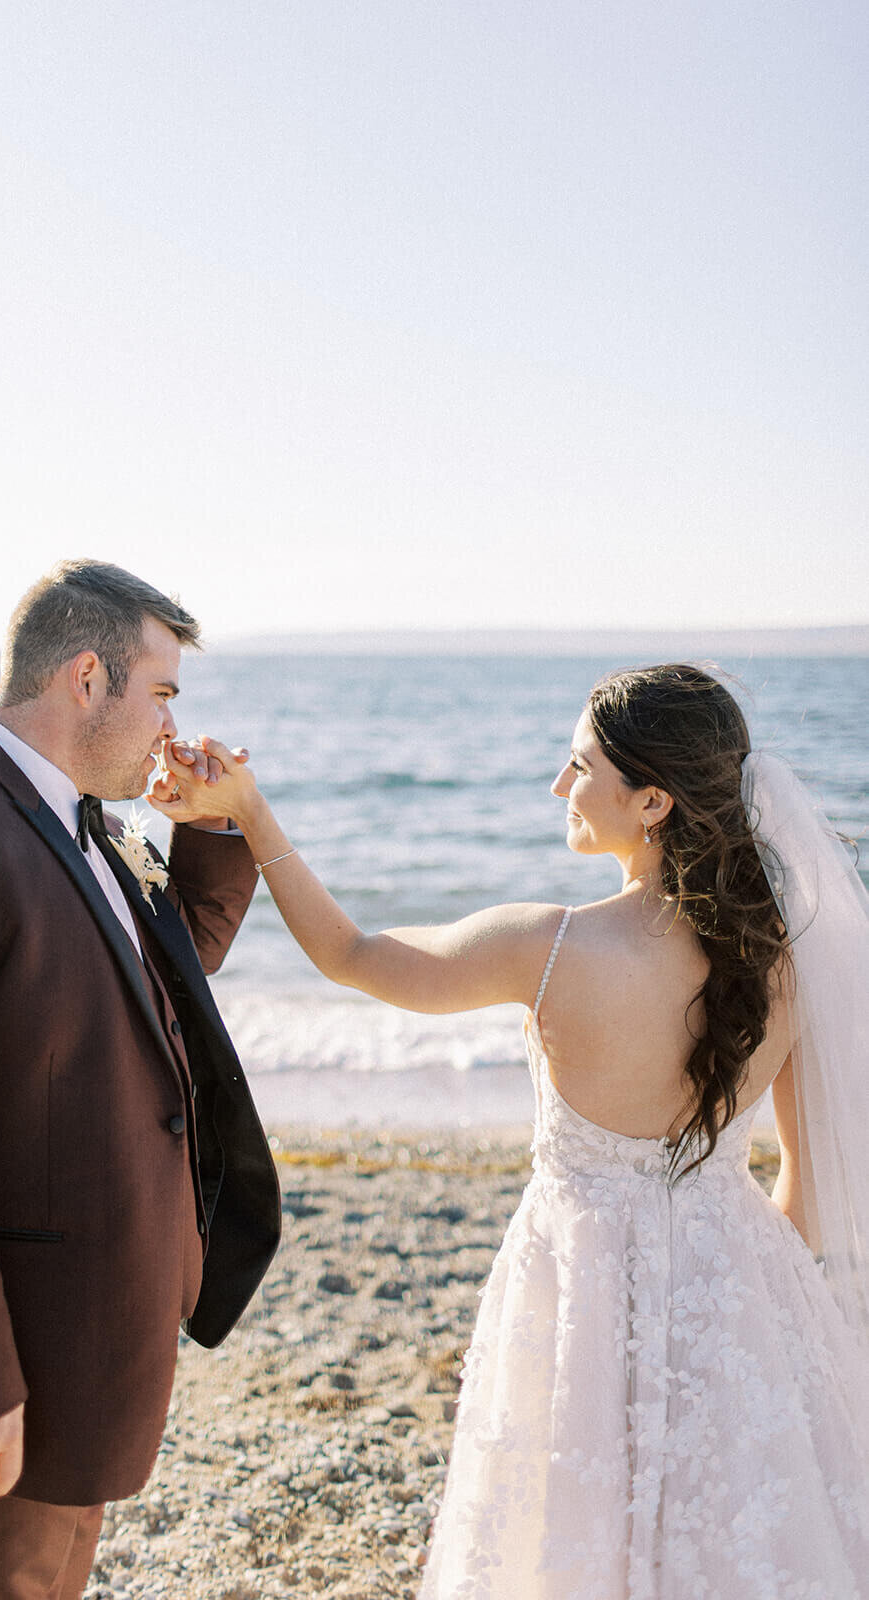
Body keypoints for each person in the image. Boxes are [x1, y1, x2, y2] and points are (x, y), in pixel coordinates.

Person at [153, 663, 869, 1598]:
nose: (557, 787)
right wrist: (742, 1300)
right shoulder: (786, 954)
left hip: (574, 1290)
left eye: (579, 768)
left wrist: (249, 813)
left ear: (652, 800)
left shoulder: (551, 947)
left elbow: (352, 956)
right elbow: (807, 1201)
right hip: (738, 1285)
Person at [0, 559, 281, 1600]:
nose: (173, 726)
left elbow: (156, 990)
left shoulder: (84, 827)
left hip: (84, 1342)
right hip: (1, 1362)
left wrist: (210, 824)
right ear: (87, 676)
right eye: (161, 692)